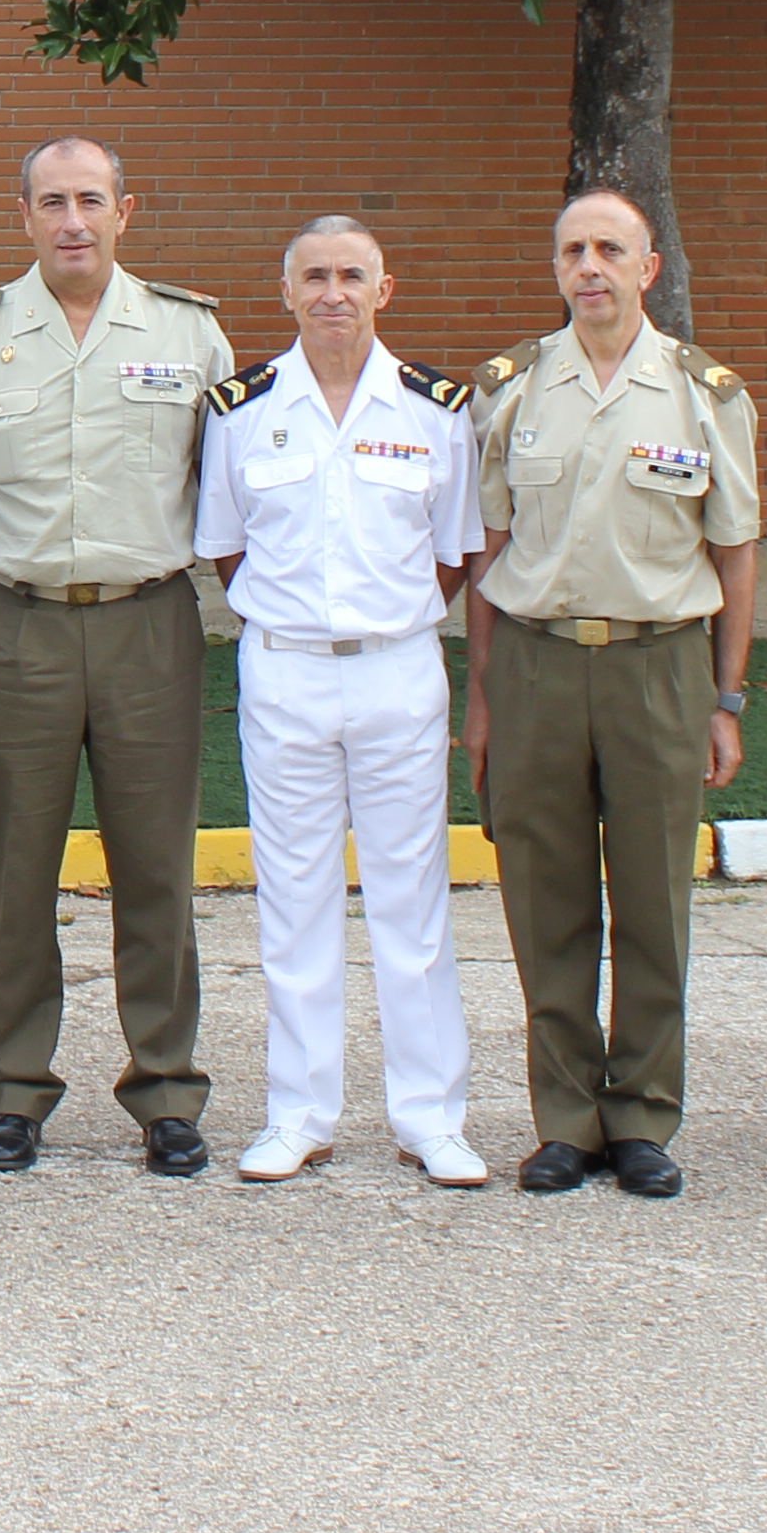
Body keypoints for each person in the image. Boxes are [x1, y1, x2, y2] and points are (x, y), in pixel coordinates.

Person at [0, 135, 235, 1176]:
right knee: (15, 870)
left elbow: (226, 485)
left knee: (157, 866)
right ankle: (12, 1093)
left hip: (150, 620)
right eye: (51, 202)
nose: (71, 221)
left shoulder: (191, 334)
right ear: (23, 215)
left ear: (125, 210)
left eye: (90, 200)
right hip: (16, 622)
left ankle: (167, 1090)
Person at [462, 188, 757, 1199]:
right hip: (538, 663)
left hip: (659, 666)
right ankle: (565, 1120)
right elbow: (491, 551)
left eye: (609, 250)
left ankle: (641, 1117)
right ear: (556, 269)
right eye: (572, 251)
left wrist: (727, 698)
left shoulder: (703, 394)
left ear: (648, 269)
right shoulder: (509, 391)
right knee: (543, 903)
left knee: (652, 904)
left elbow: (736, 552)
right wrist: (484, 699)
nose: (589, 267)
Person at [196, 214, 492, 1190]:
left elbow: (454, 556)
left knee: (413, 905)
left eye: (351, 276)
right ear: (286, 292)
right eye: (314, 276)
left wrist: (380, 625)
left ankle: (429, 1117)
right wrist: (304, 626)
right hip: (282, 670)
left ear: (384, 290)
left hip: (398, 670)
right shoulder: (240, 408)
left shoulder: (434, 409)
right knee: (294, 901)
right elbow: (229, 547)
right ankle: (301, 1112)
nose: (333, 293)